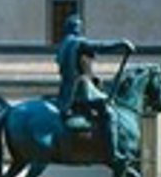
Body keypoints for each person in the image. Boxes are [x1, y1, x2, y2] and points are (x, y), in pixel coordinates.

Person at [55, 12, 132, 151]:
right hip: (80, 88)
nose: (79, 29)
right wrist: (120, 44)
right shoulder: (78, 43)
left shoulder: (63, 44)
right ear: (74, 28)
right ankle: (112, 150)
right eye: (78, 27)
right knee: (109, 113)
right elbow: (100, 46)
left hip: (65, 90)